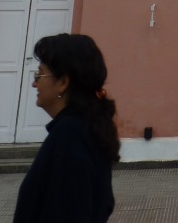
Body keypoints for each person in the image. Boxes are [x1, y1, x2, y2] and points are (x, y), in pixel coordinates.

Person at [13, 33, 119, 223]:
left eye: (40, 74)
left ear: (63, 82)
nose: (34, 83)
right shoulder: (85, 128)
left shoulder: (69, 136)